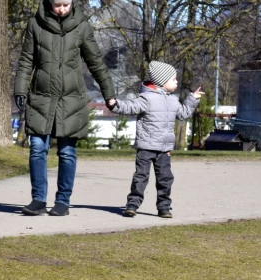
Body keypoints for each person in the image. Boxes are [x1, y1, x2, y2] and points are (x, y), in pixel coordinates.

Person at [14, 0, 117, 216]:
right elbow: (26, 60)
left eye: (65, 4)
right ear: (49, 3)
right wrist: (20, 90)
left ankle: (63, 201)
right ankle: (38, 199)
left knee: (67, 152)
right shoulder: (35, 25)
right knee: (37, 149)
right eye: (57, 4)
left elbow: (96, 62)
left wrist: (109, 94)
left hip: (71, 100)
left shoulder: (82, 26)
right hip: (41, 97)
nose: (61, 9)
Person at [110, 61, 201, 218]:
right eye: (173, 79)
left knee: (165, 179)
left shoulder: (173, 100)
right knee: (141, 177)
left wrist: (192, 98)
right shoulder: (147, 98)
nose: (176, 82)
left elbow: (184, 113)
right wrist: (115, 104)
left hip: (164, 149)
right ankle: (132, 204)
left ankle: (164, 207)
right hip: (146, 147)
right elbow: (130, 107)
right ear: (162, 82)